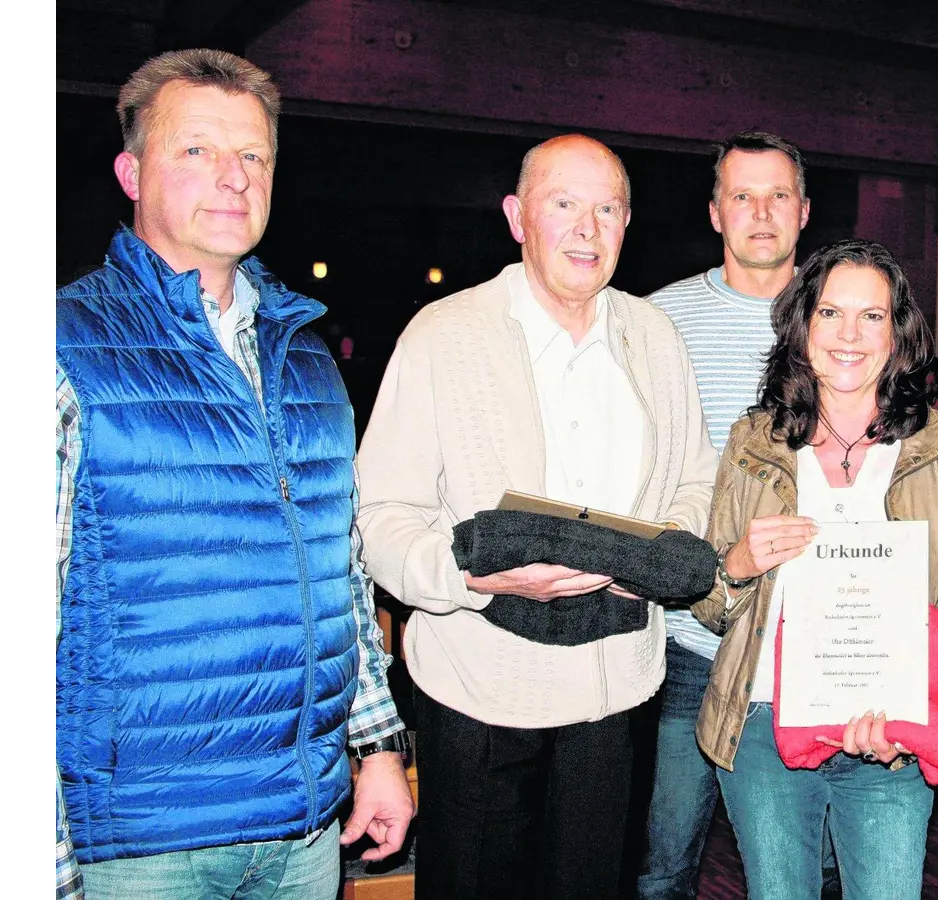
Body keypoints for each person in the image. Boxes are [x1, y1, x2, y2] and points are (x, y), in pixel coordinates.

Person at [55, 49, 413, 899]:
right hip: (142, 844)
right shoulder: (61, 347)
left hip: (301, 827)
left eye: (253, 155)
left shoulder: (310, 362)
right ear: (130, 171)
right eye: (196, 150)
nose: (232, 177)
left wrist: (377, 751)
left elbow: (343, 581)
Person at [354, 133, 719, 899]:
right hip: (479, 690)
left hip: (616, 690)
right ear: (518, 217)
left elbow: (694, 483)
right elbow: (383, 516)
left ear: (627, 224)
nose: (588, 228)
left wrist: (649, 567)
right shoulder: (442, 333)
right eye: (564, 204)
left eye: (608, 208)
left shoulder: (653, 338)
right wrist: (473, 575)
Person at [691, 238, 938, 899]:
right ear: (802, 326)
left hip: (890, 738)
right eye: (831, 313)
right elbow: (710, 604)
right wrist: (739, 564)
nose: (850, 335)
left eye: (873, 315)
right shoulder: (754, 440)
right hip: (764, 727)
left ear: (899, 332)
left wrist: (905, 721)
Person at [639, 131, 812, 899]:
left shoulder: (845, 316)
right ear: (715, 212)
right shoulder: (655, 320)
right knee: (662, 866)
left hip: (812, 642)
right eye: (742, 195)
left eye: (779, 195)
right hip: (687, 640)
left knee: (807, 870)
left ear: (805, 210)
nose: (762, 212)